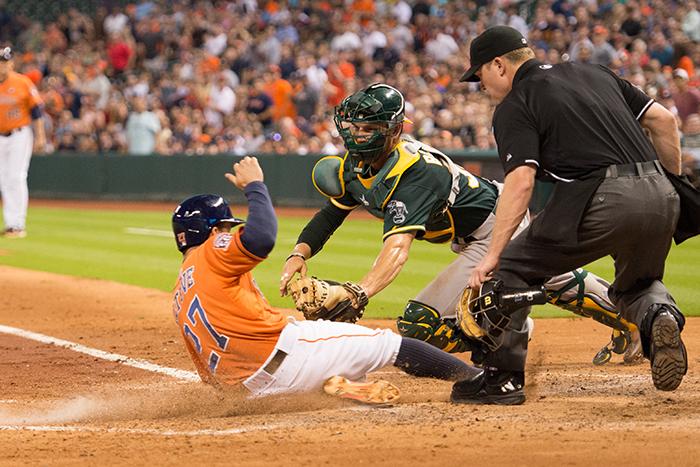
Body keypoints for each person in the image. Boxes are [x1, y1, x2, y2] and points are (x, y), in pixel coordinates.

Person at [278, 82, 641, 369]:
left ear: (391, 131)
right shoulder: (355, 166)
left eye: (367, 128)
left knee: (420, 323)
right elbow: (331, 214)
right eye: (354, 127)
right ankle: (632, 320)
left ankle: (501, 335)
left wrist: (361, 292)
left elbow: (398, 250)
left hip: (497, 224)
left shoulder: (416, 173)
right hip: (474, 232)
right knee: (546, 278)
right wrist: (299, 253)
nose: (357, 135)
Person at [454, 26, 687, 405]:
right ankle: (659, 316)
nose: (479, 85)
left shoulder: (515, 104)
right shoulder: (595, 72)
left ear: (498, 65)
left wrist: (494, 255)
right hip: (660, 193)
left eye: (478, 74)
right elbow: (664, 122)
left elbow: (521, 181)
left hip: (600, 196)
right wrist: (671, 186)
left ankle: (502, 380)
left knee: (510, 270)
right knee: (637, 285)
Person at [171, 156, 481, 402]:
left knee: (324, 344)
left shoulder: (179, 294)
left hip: (255, 393)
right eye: (225, 227)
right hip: (290, 360)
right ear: (211, 231)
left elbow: (211, 379)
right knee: (389, 345)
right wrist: (255, 186)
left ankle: (339, 385)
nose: (228, 232)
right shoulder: (212, 248)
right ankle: (476, 379)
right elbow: (262, 237)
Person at [0, 46, 46, 238]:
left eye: (5, 62)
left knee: (16, 177)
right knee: (4, 179)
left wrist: (40, 135)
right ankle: (11, 224)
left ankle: (17, 224)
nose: (2, 66)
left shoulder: (22, 82)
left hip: (20, 134)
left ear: (11, 63)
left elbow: (37, 111)